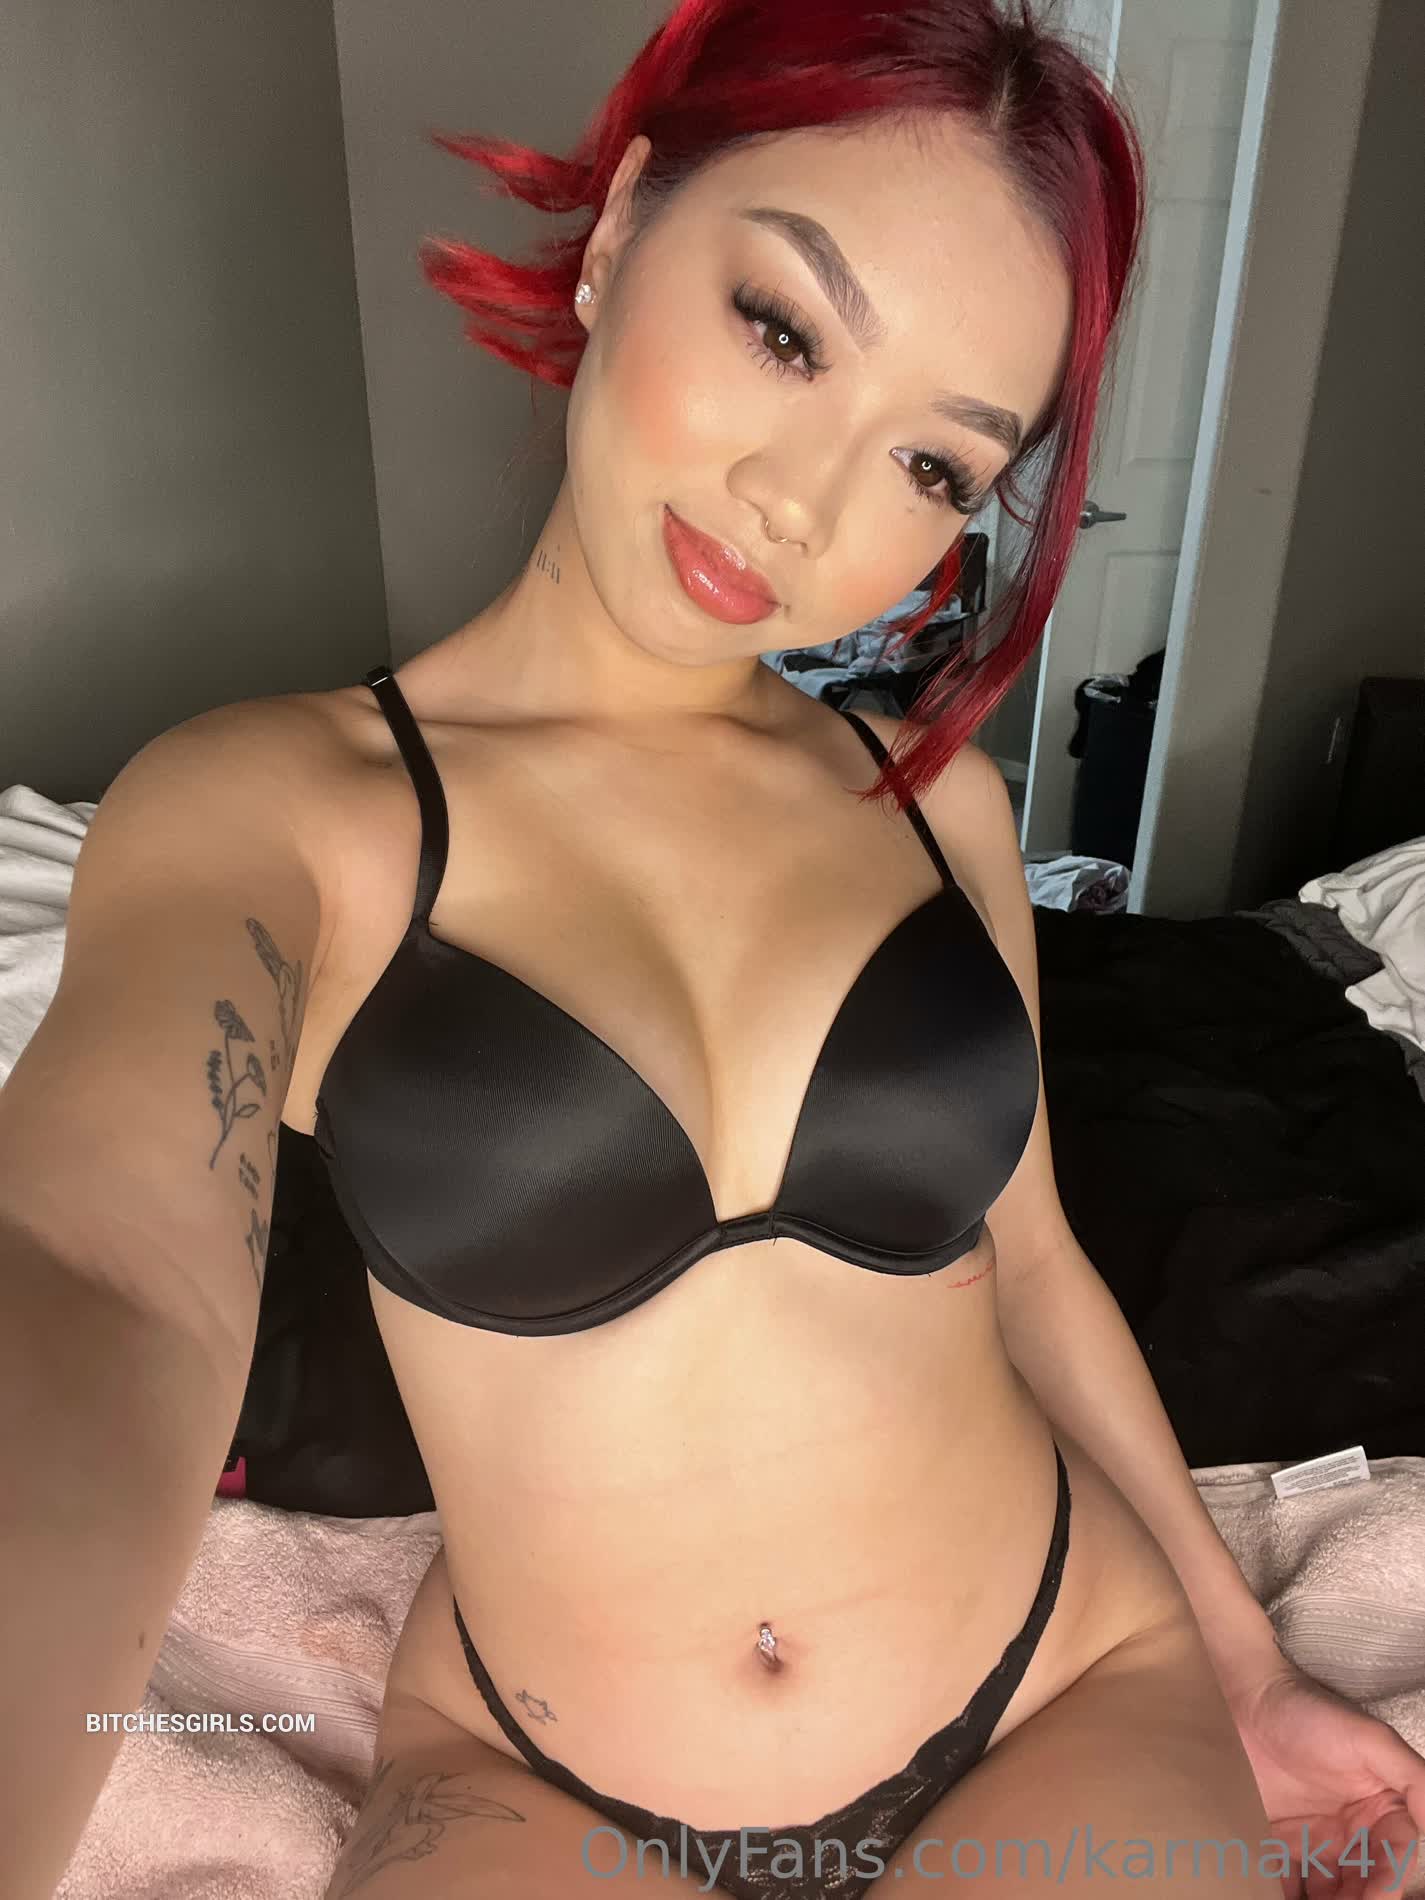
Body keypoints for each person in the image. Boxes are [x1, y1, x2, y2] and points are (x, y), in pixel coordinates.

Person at [5, 2, 1423, 1896]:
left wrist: (1243, 1673)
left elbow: (1030, 1265)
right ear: (617, 233)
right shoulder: (275, 807)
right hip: (530, 1765)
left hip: (1058, 1675)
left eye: (934, 468)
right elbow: (107, 1273)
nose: (804, 504)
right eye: (782, 330)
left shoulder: (934, 804)